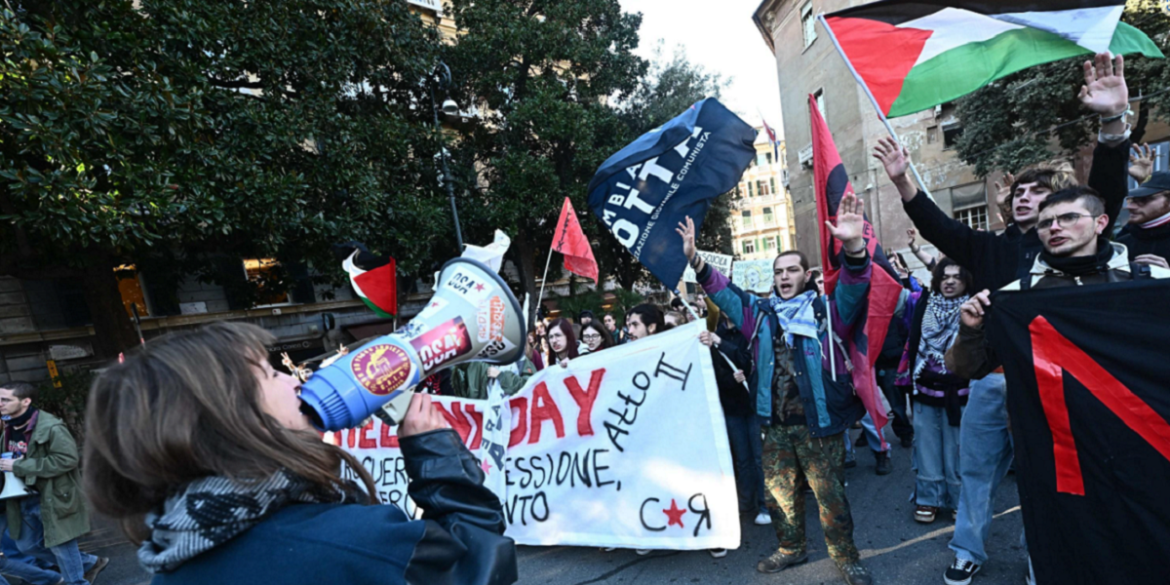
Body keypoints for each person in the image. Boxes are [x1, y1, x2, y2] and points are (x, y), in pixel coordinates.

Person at [874, 52, 1132, 585]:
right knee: (977, 474)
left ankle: (1045, 561)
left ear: (1083, 222)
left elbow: (1105, 191)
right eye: (1021, 195)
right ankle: (967, 548)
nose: (1029, 204)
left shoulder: (1078, 251)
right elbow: (943, 231)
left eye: (1044, 200)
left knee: (1055, 480)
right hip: (993, 383)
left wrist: (1112, 123)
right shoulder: (992, 251)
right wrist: (903, 184)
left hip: (1063, 387)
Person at [83, 322, 517, 584]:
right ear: (233, 417)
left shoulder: (172, 560)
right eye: (271, 375)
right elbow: (478, 567)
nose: (295, 381)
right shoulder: (356, 542)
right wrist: (437, 459)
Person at [678, 192, 875, 585]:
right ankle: (791, 547)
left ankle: (846, 556)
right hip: (774, 425)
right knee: (780, 497)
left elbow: (855, 283)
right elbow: (724, 293)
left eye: (792, 270)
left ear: (807, 276)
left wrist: (853, 246)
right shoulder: (759, 316)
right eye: (779, 271)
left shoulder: (828, 313)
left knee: (830, 498)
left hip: (820, 424)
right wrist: (695, 259)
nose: (784, 276)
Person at [0, 383, 107, 585]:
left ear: (25, 401)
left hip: (52, 495)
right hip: (22, 497)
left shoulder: (51, 427)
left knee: (61, 546)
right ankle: (88, 563)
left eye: (5, 399)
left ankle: (77, 580)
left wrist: (20, 465)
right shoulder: (9, 428)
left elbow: (67, 460)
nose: (0, 404)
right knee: (26, 546)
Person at [901, 259, 973, 524]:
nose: (950, 281)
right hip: (924, 386)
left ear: (966, 281)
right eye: (944, 277)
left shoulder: (974, 305)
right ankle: (928, 499)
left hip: (961, 390)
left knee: (958, 446)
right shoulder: (924, 303)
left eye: (956, 276)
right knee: (927, 445)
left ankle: (958, 499)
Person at [699, 318, 767, 528]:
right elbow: (715, 373)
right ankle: (746, 503)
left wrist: (721, 342)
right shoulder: (714, 334)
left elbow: (748, 360)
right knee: (742, 458)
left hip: (754, 404)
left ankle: (765, 505)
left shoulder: (750, 331)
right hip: (732, 407)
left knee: (759, 458)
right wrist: (732, 379)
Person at [1116, 171, 1170, 267]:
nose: (1130, 206)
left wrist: (1166, 276)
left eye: (1144, 199)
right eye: (1133, 199)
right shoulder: (1122, 243)